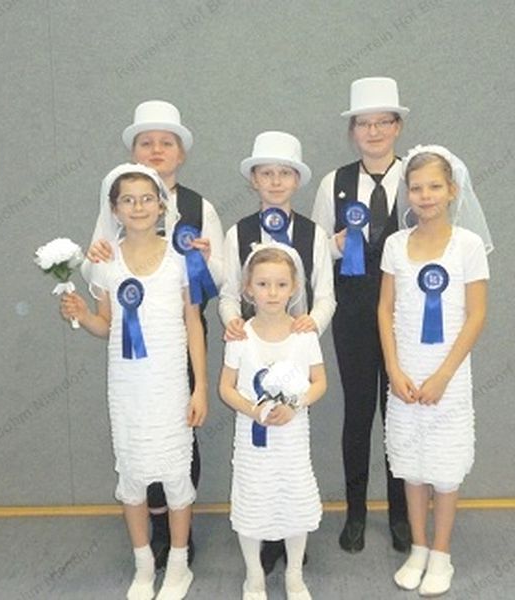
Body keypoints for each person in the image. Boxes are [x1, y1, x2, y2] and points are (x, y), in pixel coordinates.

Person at [82, 100, 224, 568]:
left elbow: (219, 278)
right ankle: (156, 528)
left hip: (181, 334)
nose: (157, 150)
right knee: (138, 441)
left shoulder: (201, 207)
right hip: (131, 349)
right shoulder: (116, 216)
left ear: (181, 153)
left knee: (182, 432)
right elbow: (101, 277)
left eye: (166, 143)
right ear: (134, 153)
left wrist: (205, 259)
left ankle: (181, 533)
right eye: (147, 143)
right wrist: (91, 261)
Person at [62, 163, 207, 600]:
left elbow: (194, 323)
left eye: (147, 198)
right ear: (115, 209)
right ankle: (143, 565)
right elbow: (106, 324)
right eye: (128, 200)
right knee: (133, 474)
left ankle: (178, 564)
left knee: (176, 474)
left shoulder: (182, 257)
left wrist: (200, 387)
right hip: (127, 387)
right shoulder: (106, 262)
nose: (138, 207)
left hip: (170, 383)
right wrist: (82, 314)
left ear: (162, 205)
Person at [218, 130, 335, 573]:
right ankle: (264, 536)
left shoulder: (313, 233)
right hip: (252, 346)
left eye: (284, 174)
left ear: (296, 180)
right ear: (254, 180)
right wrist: (233, 320)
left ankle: (291, 531)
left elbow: (326, 293)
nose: (275, 181)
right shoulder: (238, 232)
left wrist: (311, 324)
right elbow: (229, 292)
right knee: (259, 453)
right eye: (266, 174)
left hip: (296, 345)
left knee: (290, 447)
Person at [378, 145, 492, 596]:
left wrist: (444, 374)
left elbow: (476, 314)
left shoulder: (468, 246)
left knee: (444, 467)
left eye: (434, 187)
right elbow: (385, 309)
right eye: (417, 187)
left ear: (452, 191)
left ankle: (441, 553)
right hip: (405, 373)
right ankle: (419, 547)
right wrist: (393, 368)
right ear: (407, 193)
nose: (425, 196)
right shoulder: (395, 245)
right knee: (411, 465)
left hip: (449, 373)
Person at [310, 76, 409, 553]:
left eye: (382, 122)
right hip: (352, 314)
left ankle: (401, 514)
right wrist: (334, 245)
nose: (373, 132)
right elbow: (315, 253)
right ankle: (355, 513)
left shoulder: (416, 177)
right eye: (363, 124)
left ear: (398, 127)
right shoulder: (334, 183)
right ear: (352, 131)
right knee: (358, 412)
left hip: (407, 317)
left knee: (399, 415)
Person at [219, 244, 327, 600]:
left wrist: (295, 405)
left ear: (293, 288)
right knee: (254, 500)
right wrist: (254, 411)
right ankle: (254, 576)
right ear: (248, 288)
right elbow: (226, 388)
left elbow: (319, 382)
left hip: (292, 435)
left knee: (294, 499)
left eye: (281, 285)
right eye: (263, 284)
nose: (272, 293)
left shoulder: (304, 334)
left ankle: (295, 574)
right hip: (253, 438)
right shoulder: (240, 335)